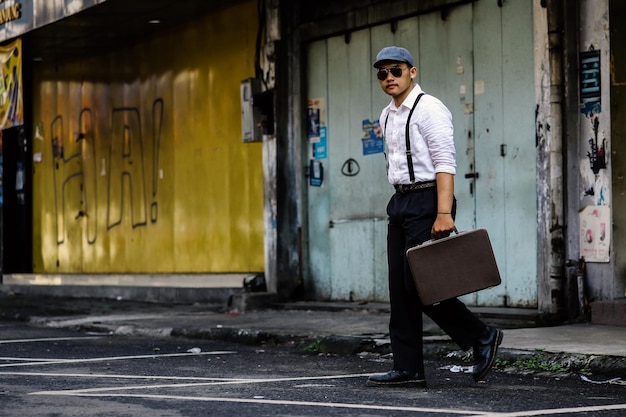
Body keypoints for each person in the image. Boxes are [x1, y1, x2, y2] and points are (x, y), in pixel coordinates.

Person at [366, 46, 503, 388]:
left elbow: (445, 163)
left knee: (421, 285)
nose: (389, 78)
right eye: (382, 73)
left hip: (428, 202)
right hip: (400, 203)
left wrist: (443, 212)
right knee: (400, 289)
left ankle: (481, 335)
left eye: (395, 71)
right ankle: (408, 367)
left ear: (412, 71)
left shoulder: (430, 109)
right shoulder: (386, 115)